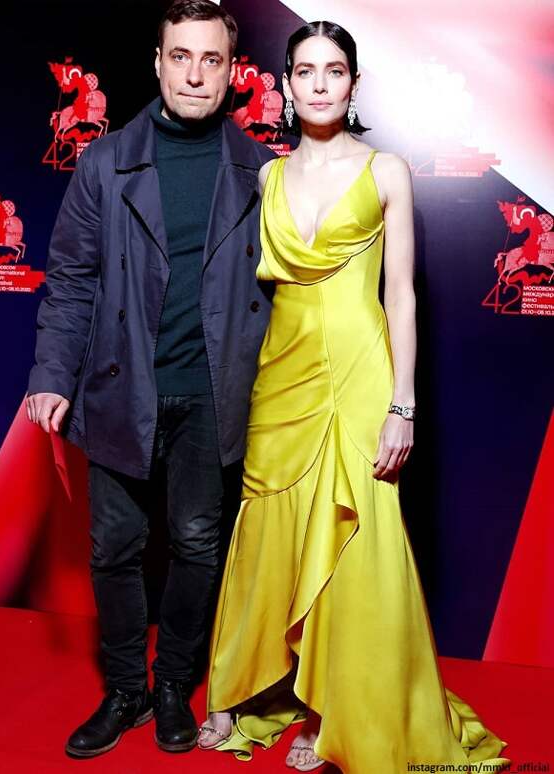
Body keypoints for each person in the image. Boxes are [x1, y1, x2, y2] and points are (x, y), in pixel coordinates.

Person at [198, 21, 511, 774]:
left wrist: (403, 404)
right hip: (283, 373)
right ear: (284, 85)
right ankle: (232, 687)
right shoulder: (267, 179)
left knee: (353, 539)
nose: (319, 84)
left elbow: (401, 294)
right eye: (304, 71)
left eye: (333, 70)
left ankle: (330, 711)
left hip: (362, 373)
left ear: (354, 83)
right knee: (266, 526)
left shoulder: (387, 171)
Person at [26, 0, 274, 759]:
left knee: (198, 545)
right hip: (119, 386)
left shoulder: (264, 171)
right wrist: (51, 373)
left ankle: (173, 687)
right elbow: (71, 279)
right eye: (180, 56)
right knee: (114, 548)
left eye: (211, 59)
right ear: (158, 62)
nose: (195, 74)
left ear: (230, 72)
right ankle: (126, 689)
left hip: (214, 393)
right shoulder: (104, 162)